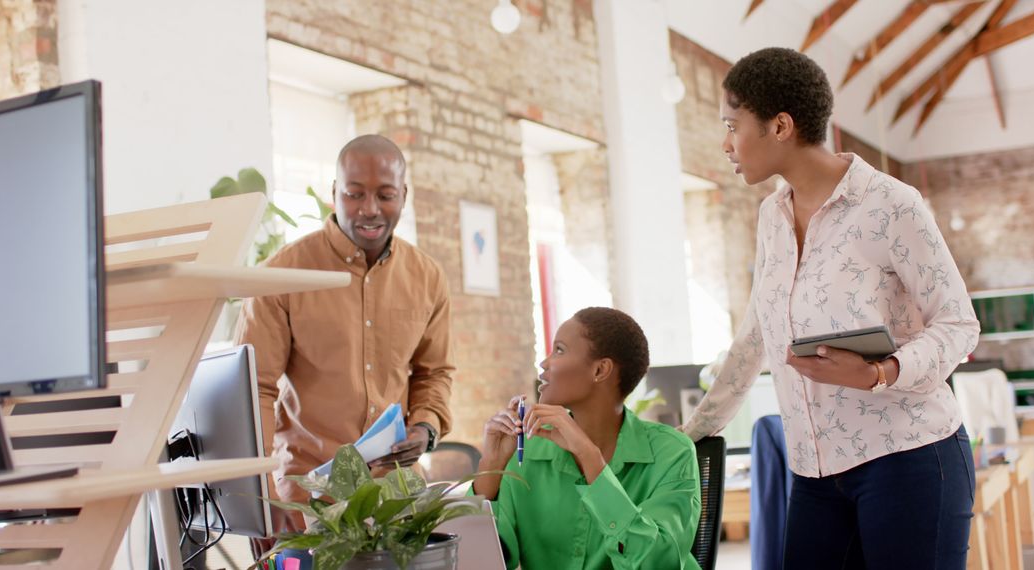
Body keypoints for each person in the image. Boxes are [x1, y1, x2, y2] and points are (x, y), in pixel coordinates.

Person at [681, 48, 981, 570]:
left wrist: (881, 372)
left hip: (909, 457)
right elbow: (757, 336)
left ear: (780, 126)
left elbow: (959, 324)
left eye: (733, 125)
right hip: (814, 473)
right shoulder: (771, 217)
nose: (726, 143)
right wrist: (689, 434)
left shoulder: (891, 204)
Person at [236, 134, 454, 553]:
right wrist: (262, 494)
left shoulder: (427, 277)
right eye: (354, 194)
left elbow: (435, 371)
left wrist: (425, 426)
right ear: (334, 193)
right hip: (306, 505)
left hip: (395, 502)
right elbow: (253, 389)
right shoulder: (283, 274)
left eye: (385, 195)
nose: (369, 209)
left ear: (404, 196)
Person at [473, 307, 702, 570]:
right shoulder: (526, 449)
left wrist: (590, 459)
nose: (544, 363)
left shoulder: (672, 452)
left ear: (600, 370)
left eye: (559, 350)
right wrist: (491, 467)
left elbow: (658, 563)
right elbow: (480, 562)